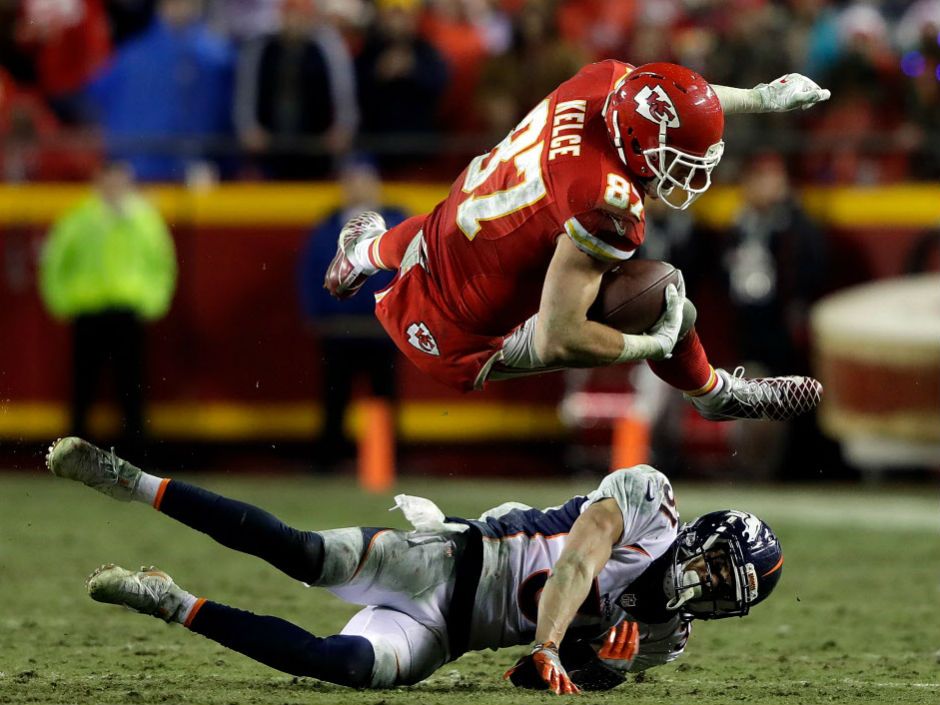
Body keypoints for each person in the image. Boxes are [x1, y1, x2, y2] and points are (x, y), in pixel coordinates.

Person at [47, 435, 784, 693]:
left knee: (338, 665)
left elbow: (549, 681)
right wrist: (556, 642)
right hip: (451, 562)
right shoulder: (651, 502)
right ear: (703, 535)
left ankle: (170, 600)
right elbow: (577, 561)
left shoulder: (665, 639)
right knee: (298, 551)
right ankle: (130, 479)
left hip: (447, 634)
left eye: (727, 591)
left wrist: (600, 668)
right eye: (719, 566)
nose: (707, 585)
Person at [324, 60, 829, 422]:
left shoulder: (603, 81)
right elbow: (557, 338)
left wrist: (763, 97)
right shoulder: (605, 202)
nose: (686, 174)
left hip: (446, 242)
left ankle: (366, 252)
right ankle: (716, 395)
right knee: (665, 298)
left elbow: (670, 102)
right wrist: (652, 345)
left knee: (465, 226)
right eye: (677, 159)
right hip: (461, 340)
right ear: (637, 143)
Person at [38, 163, 177, 448]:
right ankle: (76, 451)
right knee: (84, 386)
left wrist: (152, 302)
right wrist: (64, 302)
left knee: (131, 387)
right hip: (89, 311)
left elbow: (162, 264)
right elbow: (55, 263)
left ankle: (135, 451)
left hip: (128, 311)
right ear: (99, 181)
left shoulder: (143, 221)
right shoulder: (79, 219)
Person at [298, 157, 408, 470]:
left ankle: (385, 462)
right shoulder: (327, 227)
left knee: (383, 395)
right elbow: (309, 273)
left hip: (381, 326)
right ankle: (329, 460)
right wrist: (316, 315)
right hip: (338, 327)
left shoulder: (396, 222)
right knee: (335, 397)